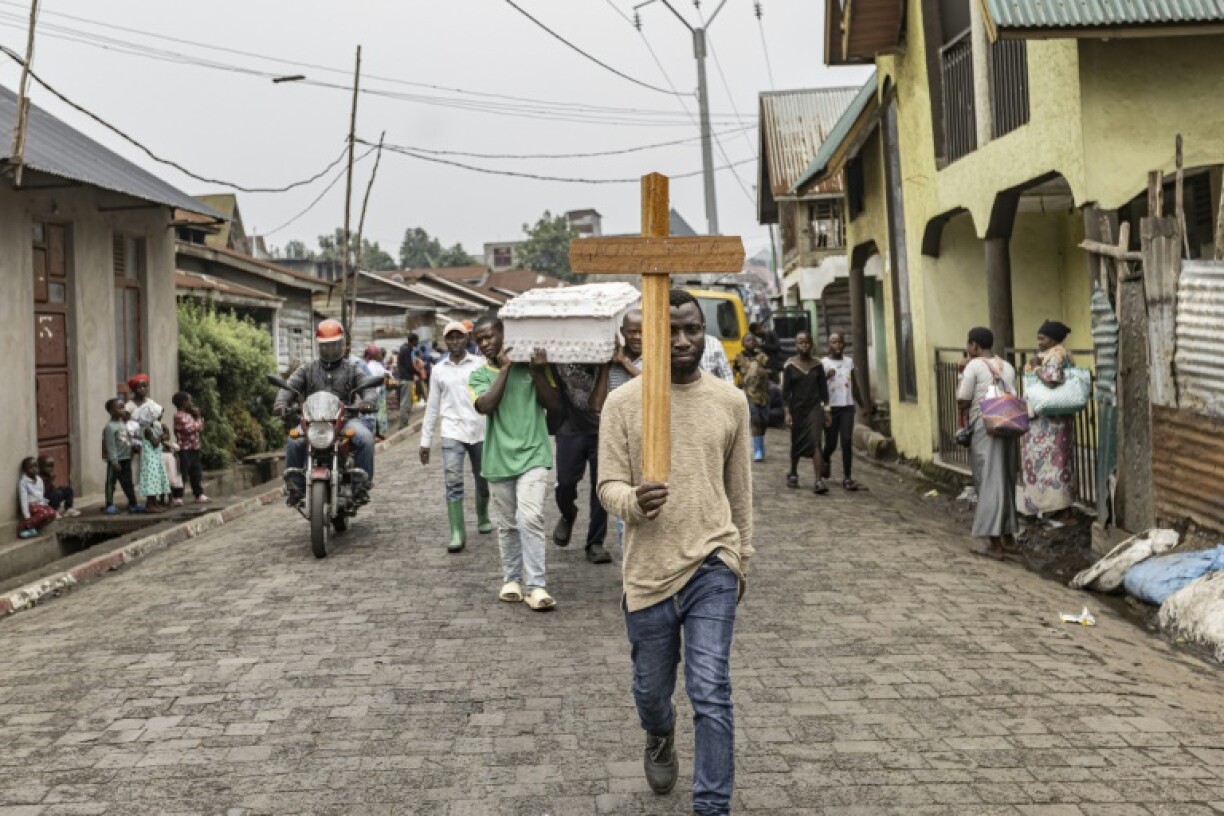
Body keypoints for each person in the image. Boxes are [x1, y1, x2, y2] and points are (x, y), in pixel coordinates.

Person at [598, 289, 754, 816]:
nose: (683, 340)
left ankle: (712, 806)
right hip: (648, 573)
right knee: (651, 692)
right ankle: (659, 735)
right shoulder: (623, 403)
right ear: (654, 335)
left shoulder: (730, 401)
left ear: (703, 331)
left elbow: (740, 493)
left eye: (692, 329)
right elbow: (607, 486)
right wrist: (635, 502)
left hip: (713, 562)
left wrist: (741, 562)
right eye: (672, 331)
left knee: (710, 689)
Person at [469, 314, 561, 611]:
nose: (485, 343)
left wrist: (536, 372)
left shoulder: (532, 368)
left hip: (533, 454)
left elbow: (553, 404)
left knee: (530, 517)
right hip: (498, 460)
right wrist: (505, 370)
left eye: (489, 336)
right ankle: (512, 579)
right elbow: (485, 405)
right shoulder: (478, 375)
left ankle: (536, 586)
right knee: (507, 525)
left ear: (505, 335)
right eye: (480, 340)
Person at [274, 319, 378, 508]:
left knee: (365, 438)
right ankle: (295, 489)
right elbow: (289, 386)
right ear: (319, 346)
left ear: (342, 344)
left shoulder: (352, 369)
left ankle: (360, 486)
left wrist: (368, 401)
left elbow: (367, 386)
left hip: (344, 421)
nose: (330, 350)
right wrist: (281, 402)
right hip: (313, 423)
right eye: (325, 346)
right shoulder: (307, 369)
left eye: (334, 345)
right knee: (293, 440)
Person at [419, 321, 491, 553]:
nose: (455, 341)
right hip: (452, 430)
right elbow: (432, 406)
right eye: (450, 338)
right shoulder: (439, 370)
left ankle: (482, 515)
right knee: (453, 482)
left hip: (479, 429)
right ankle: (457, 532)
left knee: (482, 479)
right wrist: (425, 441)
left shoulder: (480, 364)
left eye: (459, 337)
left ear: (467, 339)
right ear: (445, 341)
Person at [957, 326, 1019, 560]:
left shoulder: (973, 366)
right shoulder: (1008, 366)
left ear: (973, 345)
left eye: (969, 345)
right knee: (1005, 480)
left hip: (986, 426)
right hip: (1008, 422)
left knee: (987, 481)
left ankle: (995, 545)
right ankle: (1009, 537)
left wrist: (961, 374)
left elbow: (963, 399)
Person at [592, 309, 644, 558]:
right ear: (622, 333)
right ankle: (630, 576)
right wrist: (606, 365)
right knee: (623, 513)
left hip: (645, 444)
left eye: (642, 331)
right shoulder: (612, 365)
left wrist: (625, 363)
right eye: (632, 331)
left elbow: (654, 389)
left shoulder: (656, 361)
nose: (637, 336)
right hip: (618, 445)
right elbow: (596, 404)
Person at [550, 359, 612, 565]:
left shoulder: (602, 352)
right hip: (569, 427)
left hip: (602, 427)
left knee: (600, 487)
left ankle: (595, 542)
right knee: (565, 483)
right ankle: (568, 514)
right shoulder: (556, 350)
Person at [1022, 320, 1077, 519]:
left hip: (1050, 424)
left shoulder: (1056, 355)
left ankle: (1062, 511)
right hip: (1049, 422)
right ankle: (1056, 510)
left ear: (1053, 339)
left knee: (1053, 467)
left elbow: (1052, 381)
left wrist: (1036, 368)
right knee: (1054, 465)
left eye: (1042, 338)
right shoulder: (1054, 354)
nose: (1039, 342)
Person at [783, 331, 832, 494]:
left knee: (816, 441)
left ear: (811, 344)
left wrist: (826, 411)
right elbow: (786, 393)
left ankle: (818, 480)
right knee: (796, 441)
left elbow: (824, 392)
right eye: (800, 342)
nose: (804, 345)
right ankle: (793, 472)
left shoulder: (817, 366)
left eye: (807, 342)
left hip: (814, 408)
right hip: (797, 409)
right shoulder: (790, 366)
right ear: (796, 345)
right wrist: (787, 413)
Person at [820, 332, 864, 491]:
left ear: (844, 344)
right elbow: (818, 386)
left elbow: (855, 385)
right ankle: (825, 458)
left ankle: (847, 477)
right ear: (828, 345)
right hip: (830, 408)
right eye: (833, 342)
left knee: (846, 441)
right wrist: (826, 376)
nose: (837, 345)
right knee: (831, 443)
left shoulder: (849, 362)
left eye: (839, 342)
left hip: (847, 407)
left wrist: (862, 405)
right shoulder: (823, 363)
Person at [125, 373, 170, 512]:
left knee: (155, 472)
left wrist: (162, 431)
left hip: (152, 440)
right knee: (146, 473)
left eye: (145, 386)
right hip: (141, 441)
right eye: (139, 387)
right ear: (133, 389)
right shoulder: (130, 406)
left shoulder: (151, 403)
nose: (143, 389)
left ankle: (154, 501)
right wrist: (134, 442)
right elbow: (129, 425)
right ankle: (148, 503)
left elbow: (157, 418)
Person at [733, 333, 772, 462]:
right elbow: (734, 373)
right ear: (743, 343)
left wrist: (764, 372)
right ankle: (758, 451)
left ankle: (760, 444)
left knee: (764, 421)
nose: (750, 342)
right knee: (755, 420)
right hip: (748, 393)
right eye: (747, 340)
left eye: (752, 340)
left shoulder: (762, 357)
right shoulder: (740, 358)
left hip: (763, 394)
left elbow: (772, 369)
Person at [103, 398, 143, 514]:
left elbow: (129, 439)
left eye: (123, 407)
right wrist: (114, 461)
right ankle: (109, 504)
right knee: (111, 482)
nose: (123, 410)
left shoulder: (124, 424)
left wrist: (134, 448)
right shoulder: (110, 427)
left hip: (126, 458)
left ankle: (133, 503)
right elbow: (110, 446)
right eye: (119, 407)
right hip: (116, 460)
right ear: (111, 411)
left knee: (128, 482)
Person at [172, 392, 209, 504]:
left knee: (196, 471)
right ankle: (178, 496)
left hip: (195, 447)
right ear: (183, 403)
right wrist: (198, 418)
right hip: (184, 449)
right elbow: (191, 428)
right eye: (189, 401)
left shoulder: (190, 415)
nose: (191, 403)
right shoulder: (179, 416)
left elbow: (200, 428)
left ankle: (198, 494)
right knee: (183, 473)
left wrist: (197, 419)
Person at [17, 457, 57, 539]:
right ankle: (24, 526)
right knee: (43, 514)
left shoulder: (39, 480)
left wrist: (44, 504)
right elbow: (23, 499)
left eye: (36, 466)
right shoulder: (23, 482)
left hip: (39, 505)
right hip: (31, 506)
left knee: (52, 513)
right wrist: (27, 515)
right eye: (31, 468)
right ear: (25, 470)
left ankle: (33, 526)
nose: (34, 469)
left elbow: (41, 495)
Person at [363, 345, 390, 440]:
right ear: (374, 355)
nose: (380, 355)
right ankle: (379, 434)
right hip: (377, 393)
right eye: (378, 353)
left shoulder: (369, 364)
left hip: (372, 393)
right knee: (379, 414)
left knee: (374, 414)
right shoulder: (374, 365)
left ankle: (375, 434)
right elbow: (386, 374)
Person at [396, 336, 417, 425]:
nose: (417, 343)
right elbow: (408, 366)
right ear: (413, 341)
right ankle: (403, 424)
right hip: (406, 378)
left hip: (402, 378)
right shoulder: (407, 350)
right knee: (405, 402)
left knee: (404, 401)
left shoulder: (403, 349)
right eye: (417, 341)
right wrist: (416, 372)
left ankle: (403, 422)